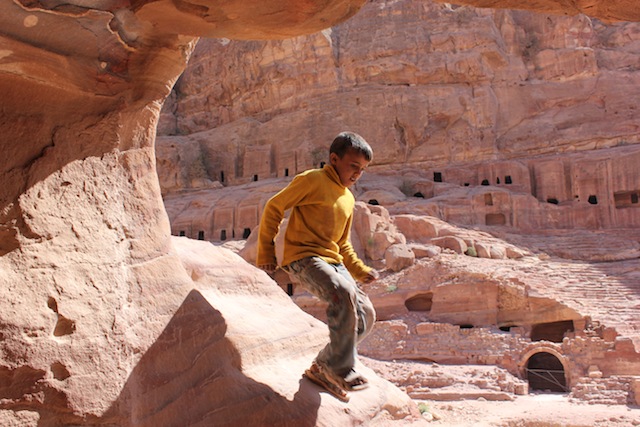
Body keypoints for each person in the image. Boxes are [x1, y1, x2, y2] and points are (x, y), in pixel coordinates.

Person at [256, 131, 379, 396]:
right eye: (353, 166)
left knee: (366, 315)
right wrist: (266, 252)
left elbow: (343, 243)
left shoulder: (348, 198)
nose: (357, 174)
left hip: (334, 262)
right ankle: (341, 369)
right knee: (342, 293)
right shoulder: (312, 180)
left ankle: (324, 367)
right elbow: (274, 207)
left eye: (362, 169)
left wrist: (360, 271)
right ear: (334, 159)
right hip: (304, 258)